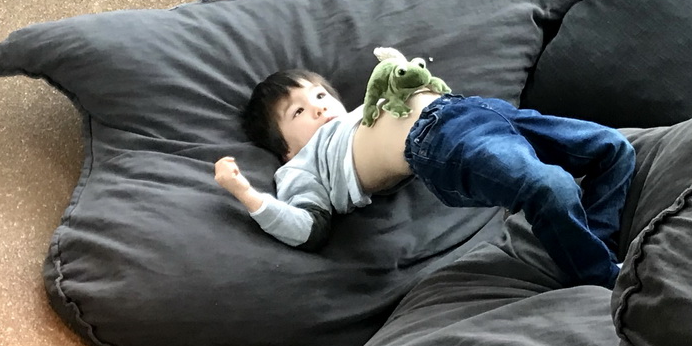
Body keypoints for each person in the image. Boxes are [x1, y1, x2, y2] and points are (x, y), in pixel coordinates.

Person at [214, 69, 635, 288]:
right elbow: (307, 229)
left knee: (614, 149)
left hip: (471, 109)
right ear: (286, 148)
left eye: (320, 96)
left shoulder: (360, 110)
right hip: (436, 143)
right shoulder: (301, 166)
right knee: (550, 186)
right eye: (298, 112)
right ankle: (599, 279)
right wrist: (249, 195)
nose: (319, 108)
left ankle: (594, 243)